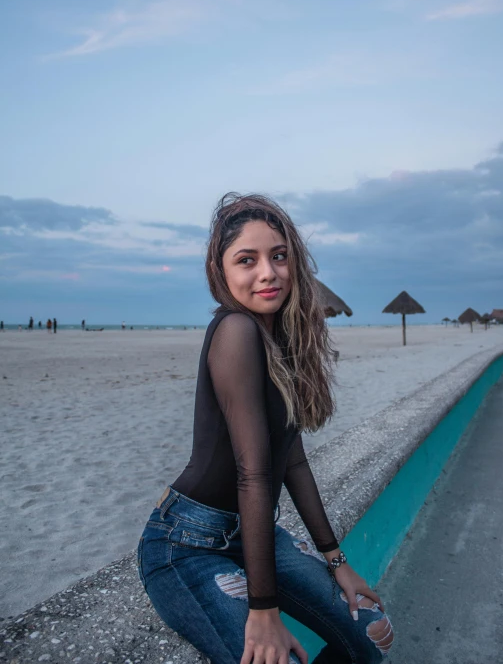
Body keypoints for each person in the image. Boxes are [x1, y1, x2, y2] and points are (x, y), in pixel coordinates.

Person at [137, 194, 393, 664]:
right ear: (221, 272)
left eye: (278, 255)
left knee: (372, 631)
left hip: (254, 535)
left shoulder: (280, 338)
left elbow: (291, 459)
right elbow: (253, 474)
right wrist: (264, 609)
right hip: (187, 545)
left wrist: (338, 562)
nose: (268, 272)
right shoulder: (236, 329)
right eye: (246, 260)